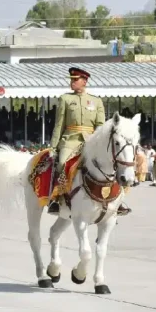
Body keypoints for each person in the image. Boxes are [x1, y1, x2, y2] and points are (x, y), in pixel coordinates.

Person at [48, 67, 129, 215]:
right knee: (61, 163)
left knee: (110, 164)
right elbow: (59, 125)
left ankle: (118, 200)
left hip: (91, 141)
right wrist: (53, 147)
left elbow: (100, 125)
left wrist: (100, 143)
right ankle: (57, 197)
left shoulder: (96, 101)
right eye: (71, 80)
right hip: (70, 140)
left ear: (84, 81)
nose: (72, 82)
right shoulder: (65, 99)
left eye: (75, 80)